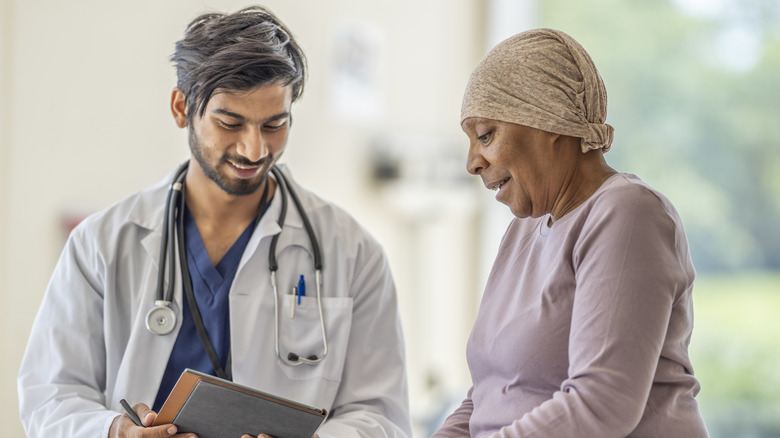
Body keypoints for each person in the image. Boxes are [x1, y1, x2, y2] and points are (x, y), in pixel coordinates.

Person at [17, 6, 410, 438]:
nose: (254, 149)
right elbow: (49, 395)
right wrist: (117, 432)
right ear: (182, 107)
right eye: (230, 123)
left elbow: (380, 415)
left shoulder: (352, 253)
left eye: (274, 124)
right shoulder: (103, 243)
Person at [431, 28, 709, 437]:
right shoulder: (521, 231)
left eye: (486, 135)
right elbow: (488, 395)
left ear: (550, 120)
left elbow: (602, 403)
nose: (473, 162)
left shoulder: (628, 212)